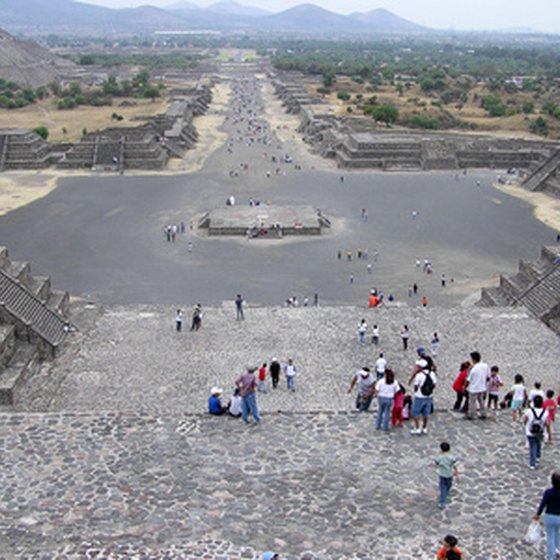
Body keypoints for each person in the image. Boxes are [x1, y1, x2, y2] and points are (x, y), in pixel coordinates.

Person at [533, 472, 560, 560]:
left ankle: (550, 556)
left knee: (550, 536)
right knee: (557, 533)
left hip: (550, 516)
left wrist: (538, 514)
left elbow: (542, 504)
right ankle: (558, 549)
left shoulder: (548, 492)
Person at [409, 356, 437, 435]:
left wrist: (416, 390)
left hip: (419, 396)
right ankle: (424, 427)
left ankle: (417, 427)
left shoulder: (419, 375)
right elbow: (434, 384)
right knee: (426, 413)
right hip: (429, 396)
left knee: (415, 412)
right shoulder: (432, 373)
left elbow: (416, 386)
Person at [523, 394, 551, 469]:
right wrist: (548, 434)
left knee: (532, 446)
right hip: (540, 431)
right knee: (538, 443)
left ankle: (532, 463)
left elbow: (525, 420)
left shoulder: (529, 411)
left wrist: (526, 425)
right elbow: (547, 424)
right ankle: (538, 456)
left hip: (530, 431)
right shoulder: (545, 412)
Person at [464, 351, 489, 420]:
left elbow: (468, 380)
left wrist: (464, 387)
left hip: (473, 388)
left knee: (472, 402)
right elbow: (488, 377)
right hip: (482, 387)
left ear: (473, 359)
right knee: (481, 401)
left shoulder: (473, 369)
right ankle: (483, 413)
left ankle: (472, 414)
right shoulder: (485, 366)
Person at [434, 442, 459, 509]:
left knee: (443, 487)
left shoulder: (440, 457)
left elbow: (436, 463)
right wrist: (456, 475)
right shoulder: (451, 457)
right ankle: (443, 498)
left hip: (442, 474)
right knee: (448, 486)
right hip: (449, 474)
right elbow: (455, 466)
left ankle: (443, 499)